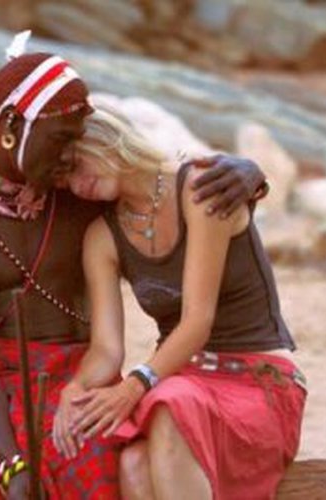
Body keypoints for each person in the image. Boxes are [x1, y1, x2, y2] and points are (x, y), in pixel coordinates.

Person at [0, 48, 268, 499]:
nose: (69, 155)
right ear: (12, 128)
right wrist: (11, 462)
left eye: (76, 142)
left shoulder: (80, 195)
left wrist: (247, 173)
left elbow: (159, 187)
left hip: (81, 374)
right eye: (61, 139)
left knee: (104, 474)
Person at [52, 107, 306, 500]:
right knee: (132, 464)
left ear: (104, 139)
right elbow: (107, 348)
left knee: (170, 404)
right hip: (182, 381)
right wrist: (76, 386)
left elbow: (197, 320)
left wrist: (135, 385)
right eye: (63, 181)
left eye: (74, 165)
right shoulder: (101, 237)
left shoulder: (202, 188)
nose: (75, 184)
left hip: (255, 377)